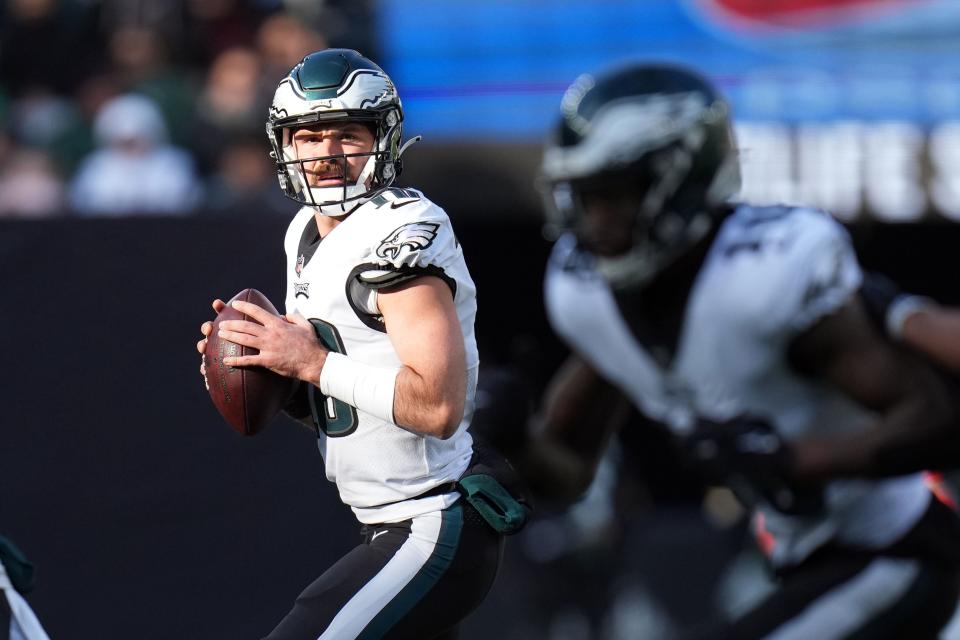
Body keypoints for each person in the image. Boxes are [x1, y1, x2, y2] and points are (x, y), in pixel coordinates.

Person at [533, 62, 960, 639]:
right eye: (586, 197)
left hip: (895, 552)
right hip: (798, 561)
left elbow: (938, 416)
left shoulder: (767, 274)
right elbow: (562, 468)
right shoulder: (591, 297)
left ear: (680, 180)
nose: (598, 219)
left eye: (614, 194)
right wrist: (503, 437)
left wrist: (801, 460)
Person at [197, 49, 517, 640]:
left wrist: (309, 362)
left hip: (433, 520)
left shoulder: (401, 230)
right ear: (283, 146)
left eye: (347, 133)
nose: (327, 155)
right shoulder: (302, 232)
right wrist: (269, 369)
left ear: (384, 138)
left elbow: (438, 407)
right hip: (383, 522)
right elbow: (344, 396)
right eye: (309, 136)